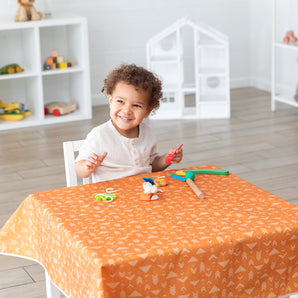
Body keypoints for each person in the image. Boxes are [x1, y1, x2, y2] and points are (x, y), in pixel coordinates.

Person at [75, 63, 183, 182]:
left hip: (144, 190)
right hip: (110, 195)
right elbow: (79, 169)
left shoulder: (148, 133)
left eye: (136, 105)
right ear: (111, 101)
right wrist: (87, 166)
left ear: (147, 111)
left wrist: (167, 159)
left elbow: (152, 167)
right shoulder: (99, 135)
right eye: (120, 101)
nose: (127, 111)